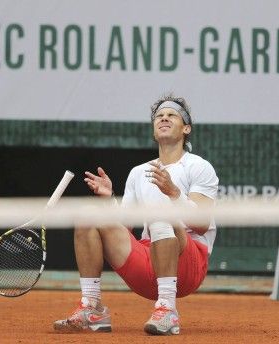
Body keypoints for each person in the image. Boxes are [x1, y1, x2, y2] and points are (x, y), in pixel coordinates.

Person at [53, 94, 219, 334]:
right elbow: (124, 228)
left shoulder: (199, 167)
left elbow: (202, 224)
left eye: (171, 115)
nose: (164, 118)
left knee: (160, 213)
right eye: (159, 116)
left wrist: (173, 193)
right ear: (154, 130)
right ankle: (92, 308)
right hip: (148, 261)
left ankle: (167, 310)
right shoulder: (138, 172)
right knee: (89, 214)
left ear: (186, 128)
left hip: (188, 265)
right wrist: (109, 201)